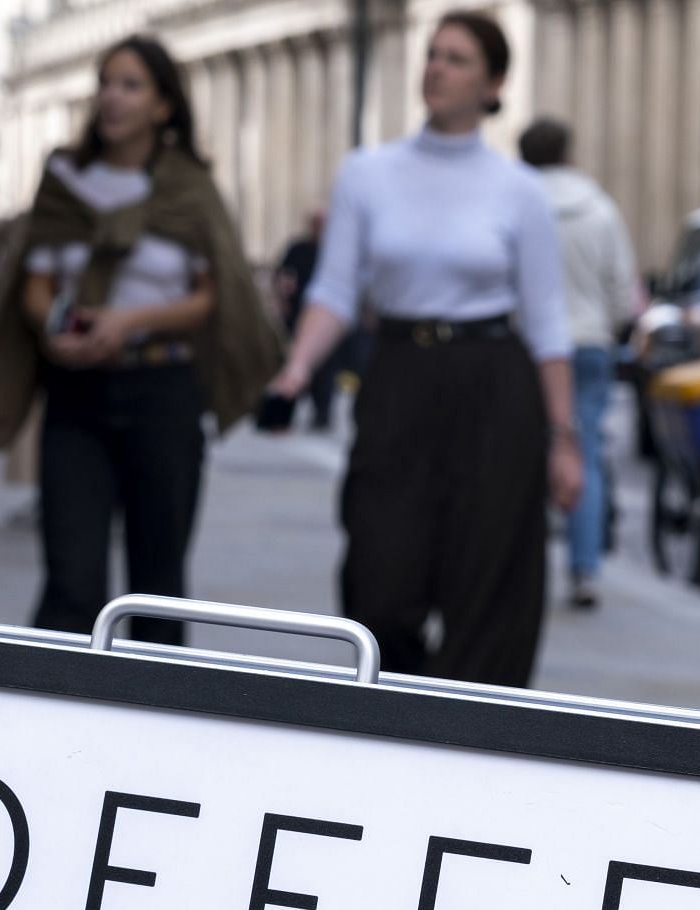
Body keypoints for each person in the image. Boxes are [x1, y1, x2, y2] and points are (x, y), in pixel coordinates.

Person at [269, 10, 580, 688]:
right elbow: (335, 289)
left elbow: (548, 320)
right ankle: (395, 716)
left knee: (489, 583)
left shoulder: (519, 190)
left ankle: (469, 741)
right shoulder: (367, 173)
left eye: (458, 58)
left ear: (494, 82)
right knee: (381, 576)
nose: (436, 68)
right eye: (433, 54)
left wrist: (563, 437)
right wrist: (294, 374)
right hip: (399, 376)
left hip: (495, 384)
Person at [0, 35, 279, 647]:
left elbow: (211, 295)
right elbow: (34, 285)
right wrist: (56, 329)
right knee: (71, 579)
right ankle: (55, 718)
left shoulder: (189, 188)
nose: (112, 98)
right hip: (76, 392)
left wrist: (128, 321)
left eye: (131, 85)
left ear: (163, 105)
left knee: (157, 583)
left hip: (161, 389)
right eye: (106, 83)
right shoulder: (64, 180)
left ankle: (154, 724)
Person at [519, 117, 643, 609]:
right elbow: (623, 286)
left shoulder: (519, 202)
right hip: (590, 342)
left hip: (530, 345)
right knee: (583, 453)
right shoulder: (600, 208)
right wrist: (608, 328)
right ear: (568, 152)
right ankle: (584, 570)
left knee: (523, 458)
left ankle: (519, 566)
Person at [268, 209, 345, 431]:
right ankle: (281, 415)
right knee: (290, 361)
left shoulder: (335, 249)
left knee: (326, 368)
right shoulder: (298, 248)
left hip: (327, 316)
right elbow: (282, 273)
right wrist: (282, 297)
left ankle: (322, 413)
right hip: (297, 312)